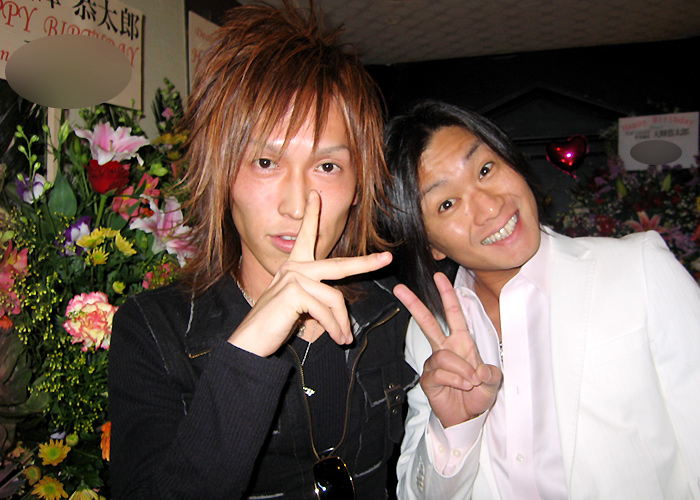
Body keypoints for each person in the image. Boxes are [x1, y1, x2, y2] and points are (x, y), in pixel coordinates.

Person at [107, 3, 418, 499]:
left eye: (328, 167)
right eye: (266, 162)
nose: (296, 205)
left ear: (359, 184)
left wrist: (455, 429)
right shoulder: (154, 331)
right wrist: (248, 352)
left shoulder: (395, 313)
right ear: (222, 174)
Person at [379, 99, 700, 499]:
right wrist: (454, 430)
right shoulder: (430, 334)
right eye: (447, 203)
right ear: (430, 245)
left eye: (485, 169)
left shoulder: (638, 269)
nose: (490, 206)